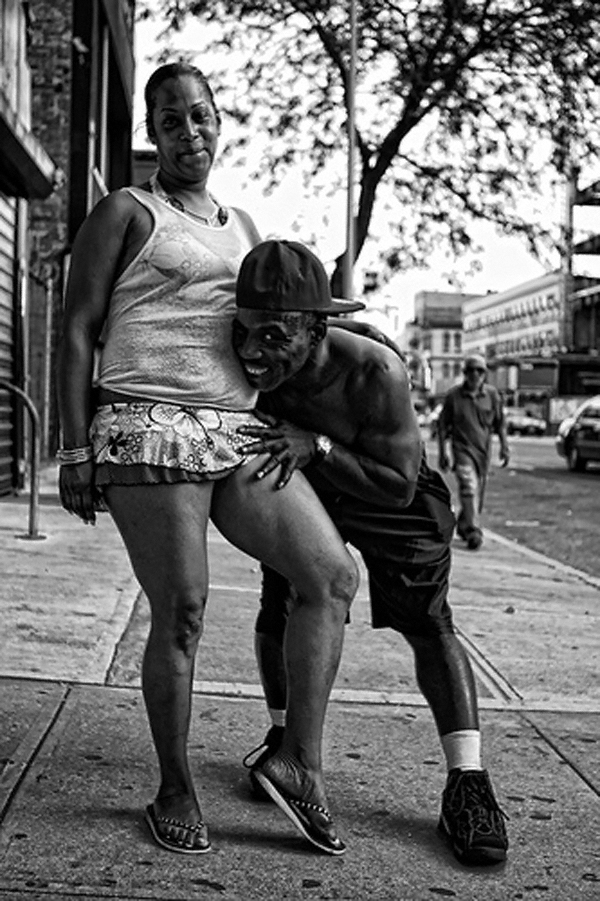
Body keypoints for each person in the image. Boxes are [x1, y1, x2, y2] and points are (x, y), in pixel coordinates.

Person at [56, 63, 362, 858]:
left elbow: (277, 326)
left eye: (201, 116)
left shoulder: (244, 224)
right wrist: (76, 447)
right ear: (152, 133)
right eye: (171, 120)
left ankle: (298, 762)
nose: (189, 132)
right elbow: (77, 325)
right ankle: (174, 785)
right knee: (184, 609)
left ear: (219, 122)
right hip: (148, 422)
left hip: (237, 428)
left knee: (331, 576)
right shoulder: (126, 212)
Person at [232, 239, 509, 867]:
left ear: (317, 329)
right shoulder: (252, 354)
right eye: (243, 332)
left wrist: (318, 446)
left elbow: (399, 485)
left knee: (428, 623)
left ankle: (468, 782)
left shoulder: (375, 371)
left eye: (273, 337)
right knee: (282, 602)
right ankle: (286, 742)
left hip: (386, 492)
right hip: (308, 487)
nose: (250, 351)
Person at [437, 355, 510, 550]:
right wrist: (443, 453)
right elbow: (442, 426)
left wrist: (504, 446)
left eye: (480, 371)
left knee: (477, 492)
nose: (475, 375)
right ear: (465, 373)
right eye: (471, 371)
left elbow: (500, 424)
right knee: (468, 486)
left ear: (485, 374)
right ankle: (473, 531)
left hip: (482, 453)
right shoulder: (454, 397)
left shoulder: (492, 396)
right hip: (462, 450)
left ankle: (464, 525)